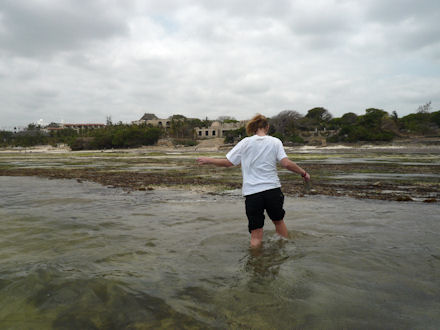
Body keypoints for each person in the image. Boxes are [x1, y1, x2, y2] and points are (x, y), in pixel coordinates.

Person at [197, 114, 311, 248]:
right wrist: (303, 173)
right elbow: (286, 163)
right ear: (267, 127)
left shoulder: (245, 142)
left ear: (254, 127)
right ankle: (283, 256)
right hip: (272, 190)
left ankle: (256, 264)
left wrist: (208, 160)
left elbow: (228, 163)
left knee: (256, 234)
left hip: (252, 193)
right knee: (279, 222)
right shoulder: (275, 141)